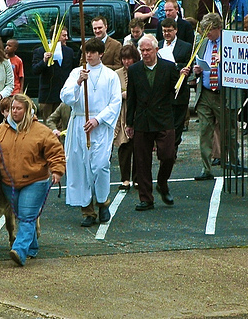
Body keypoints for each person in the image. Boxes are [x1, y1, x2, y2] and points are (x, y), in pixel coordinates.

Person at [0, 94, 65, 266]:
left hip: (35, 181)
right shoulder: (0, 130)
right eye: (13, 108)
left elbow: (55, 151)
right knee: (23, 215)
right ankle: (32, 247)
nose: (14, 111)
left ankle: (19, 250)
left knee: (26, 216)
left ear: (27, 110)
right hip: (9, 182)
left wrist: (57, 170)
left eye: (19, 108)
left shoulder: (41, 131)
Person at [61, 38, 122, 227]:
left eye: (93, 52)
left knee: (100, 165)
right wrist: (78, 82)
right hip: (79, 123)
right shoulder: (75, 73)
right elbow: (65, 97)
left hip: (100, 126)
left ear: (101, 54)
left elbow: (115, 102)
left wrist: (98, 120)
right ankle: (87, 210)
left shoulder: (110, 76)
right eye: (86, 52)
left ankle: (103, 202)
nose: (88, 55)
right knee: (80, 167)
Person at [126, 34, 184, 210]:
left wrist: (183, 77)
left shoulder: (168, 67)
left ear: (156, 50)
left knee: (168, 155)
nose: (145, 53)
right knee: (142, 161)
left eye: (148, 50)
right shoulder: (134, 70)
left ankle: (162, 182)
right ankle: (146, 198)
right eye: (142, 50)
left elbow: (178, 93)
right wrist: (129, 123)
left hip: (163, 118)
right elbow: (131, 98)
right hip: (142, 120)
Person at [191, 13, 241, 180]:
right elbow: (197, 64)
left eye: (209, 30)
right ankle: (206, 168)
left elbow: (240, 67)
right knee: (205, 132)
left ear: (218, 28)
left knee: (229, 131)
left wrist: (226, 60)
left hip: (224, 94)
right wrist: (197, 71)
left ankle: (234, 162)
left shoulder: (230, 42)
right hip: (205, 93)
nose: (207, 34)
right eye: (204, 30)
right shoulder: (203, 43)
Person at [158, 18, 192, 151]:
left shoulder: (185, 46)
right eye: (164, 31)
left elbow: (188, 65)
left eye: (169, 31)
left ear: (176, 30)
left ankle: (173, 149)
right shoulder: (159, 45)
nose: (166, 34)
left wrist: (177, 68)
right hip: (163, 92)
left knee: (177, 124)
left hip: (179, 91)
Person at [32, 26, 74, 121]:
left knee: (63, 124)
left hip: (63, 96)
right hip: (47, 96)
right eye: (64, 36)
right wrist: (44, 61)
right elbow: (35, 70)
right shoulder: (40, 51)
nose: (67, 38)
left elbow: (73, 68)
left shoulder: (69, 51)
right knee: (48, 124)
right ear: (56, 37)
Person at [114, 44, 140, 191]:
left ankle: (137, 178)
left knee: (139, 147)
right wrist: (121, 95)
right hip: (122, 113)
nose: (126, 62)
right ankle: (125, 179)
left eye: (129, 58)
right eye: (124, 59)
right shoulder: (116, 74)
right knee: (124, 146)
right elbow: (111, 94)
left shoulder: (140, 70)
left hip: (138, 112)